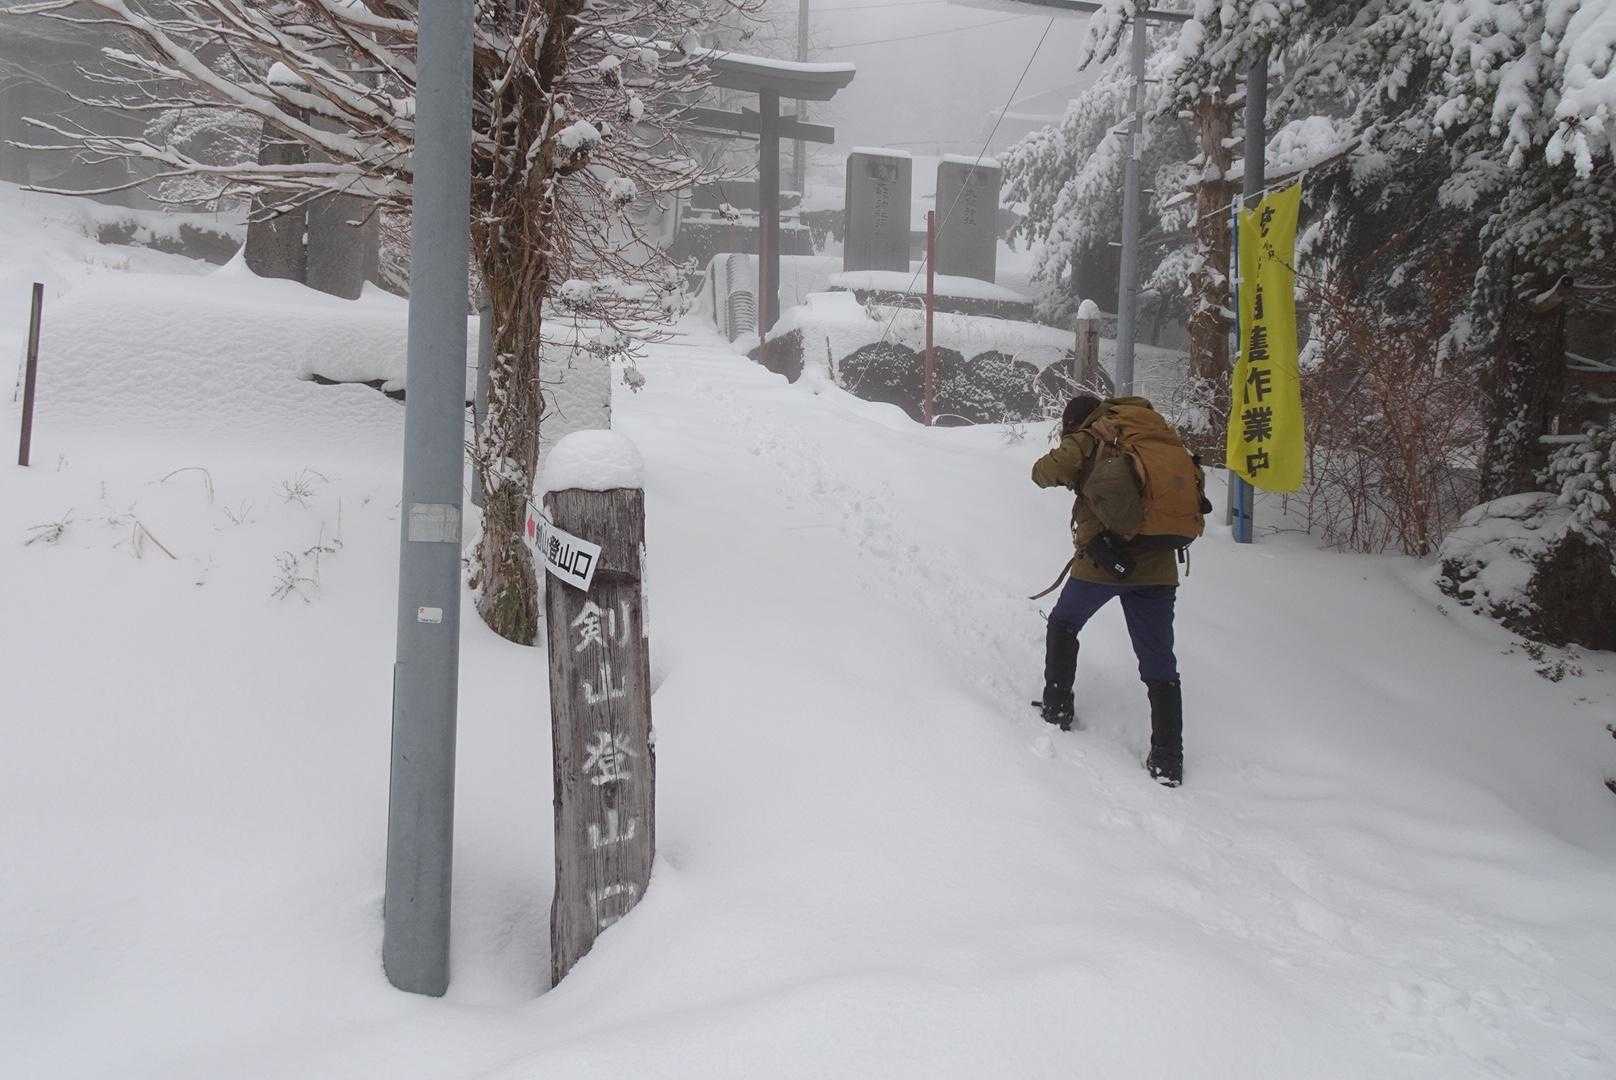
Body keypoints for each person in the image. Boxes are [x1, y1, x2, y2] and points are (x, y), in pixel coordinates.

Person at [1031, 394, 1185, 787]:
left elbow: (1043, 472)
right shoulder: (1152, 432)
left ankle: (1056, 707)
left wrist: (1073, 459)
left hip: (1104, 559)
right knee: (1158, 659)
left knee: (1064, 622)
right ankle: (1168, 758)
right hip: (1159, 562)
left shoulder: (1092, 434)